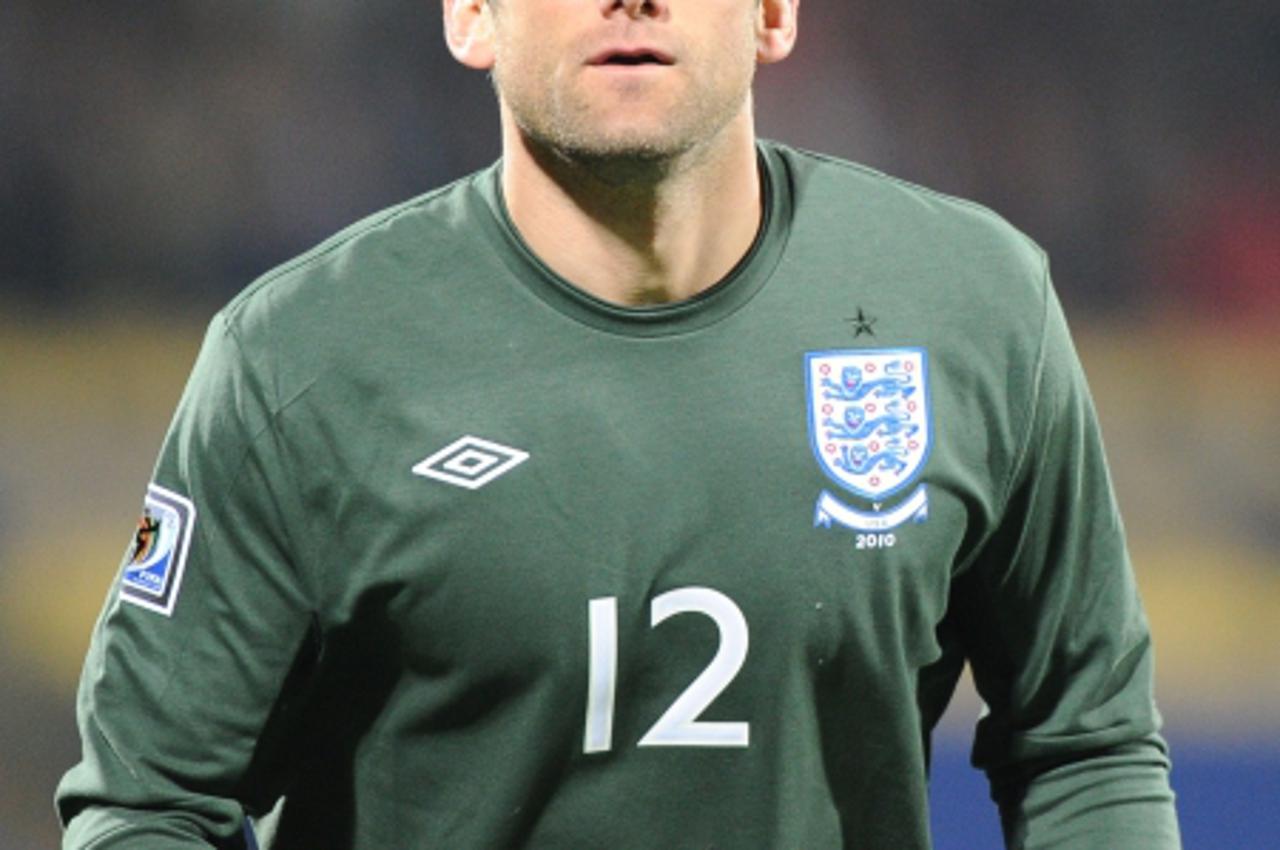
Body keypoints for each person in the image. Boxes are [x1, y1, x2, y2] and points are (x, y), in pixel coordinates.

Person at [57, 1, 1181, 847]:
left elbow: (1083, 744)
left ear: (775, 12)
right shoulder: (299, 360)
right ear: (470, 14)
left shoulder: (971, 306)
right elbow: (150, 798)